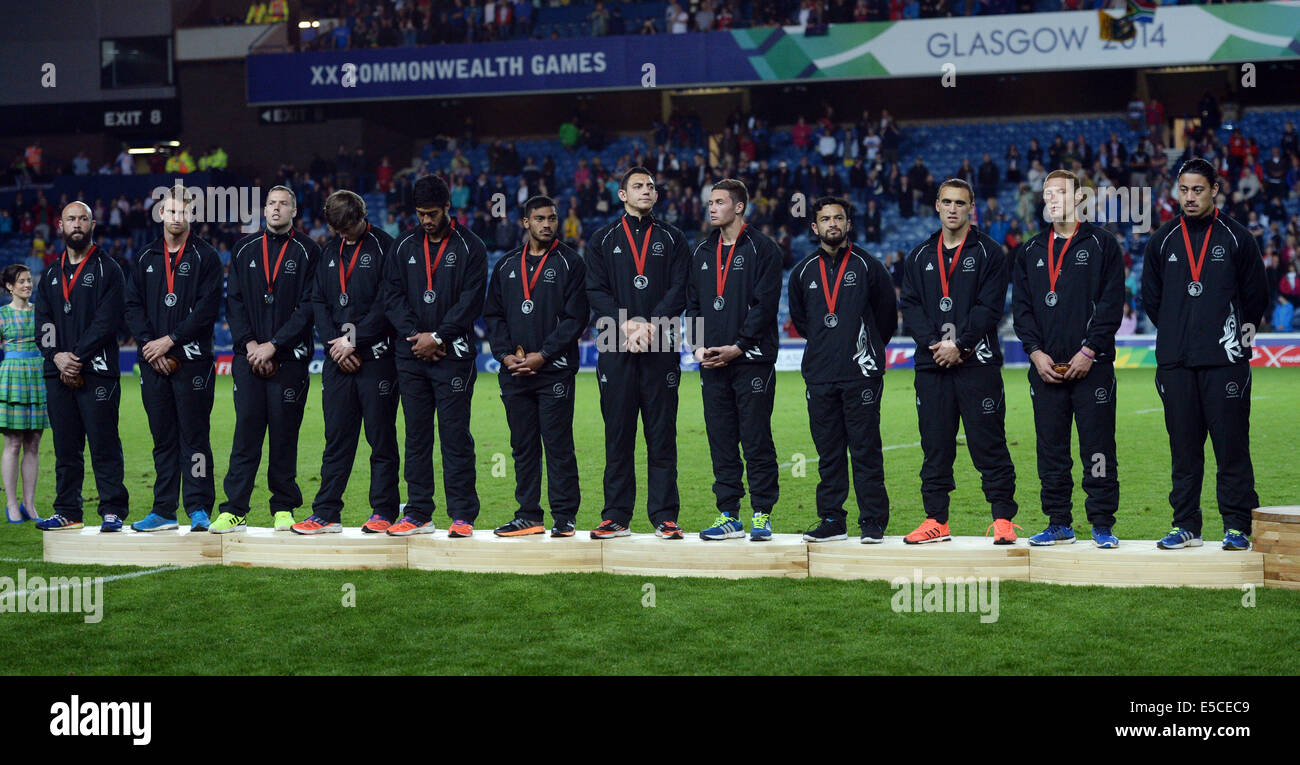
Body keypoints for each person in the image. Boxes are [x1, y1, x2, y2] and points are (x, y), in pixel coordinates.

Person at [1141, 158, 1269, 551]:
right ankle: (1186, 525)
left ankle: (1236, 526)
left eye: (1198, 190)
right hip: (1176, 363)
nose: (1190, 197)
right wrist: (1180, 332)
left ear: (1215, 189)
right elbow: (1152, 300)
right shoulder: (1162, 239)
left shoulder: (1237, 237)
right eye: (1184, 190)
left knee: (1231, 447)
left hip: (1225, 363)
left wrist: (1231, 338)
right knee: (1183, 450)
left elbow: (1255, 296)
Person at [898, 179, 1019, 545]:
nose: (953, 209)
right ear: (937, 205)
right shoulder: (919, 256)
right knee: (935, 445)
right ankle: (937, 520)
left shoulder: (991, 253)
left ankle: (1003, 520)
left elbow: (990, 307)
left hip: (977, 364)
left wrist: (961, 345)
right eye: (947, 202)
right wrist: (936, 344)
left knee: (989, 442)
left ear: (971, 208)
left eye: (960, 203)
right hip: (932, 365)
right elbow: (911, 307)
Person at [1012, 170, 1125, 549]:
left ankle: (1102, 524)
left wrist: (1089, 350)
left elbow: (1111, 305)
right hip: (1046, 369)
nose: (1053, 199)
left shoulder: (1103, 244)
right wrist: (1035, 353)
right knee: (1051, 451)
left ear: (1080, 198)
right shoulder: (1029, 251)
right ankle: (1058, 521)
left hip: (1091, 367)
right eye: (1047, 194)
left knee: (1097, 448)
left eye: (1061, 192)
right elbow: (1022, 310)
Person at [585, 166, 690, 539]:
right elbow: (594, 291)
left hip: (660, 345)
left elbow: (681, 288)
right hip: (616, 344)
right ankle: (615, 515)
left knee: (662, 435)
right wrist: (627, 324)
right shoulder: (601, 239)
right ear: (622, 195)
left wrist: (650, 325)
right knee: (618, 435)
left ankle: (665, 516)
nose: (647, 190)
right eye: (638, 186)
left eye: (651, 186)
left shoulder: (674, 238)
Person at [209, 186, 320, 533]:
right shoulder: (244, 248)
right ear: (264, 209)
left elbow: (308, 306)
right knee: (246, 434)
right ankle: (235, 508)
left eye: (283, 203)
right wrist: (251, 344)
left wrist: (274, 345)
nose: (276, 208)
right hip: (249, 356)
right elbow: (235, 303)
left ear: (294, 211)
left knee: (285, 434)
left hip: (290, 358)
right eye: (271, 203)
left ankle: (283, 506)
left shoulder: (309, 250)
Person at [382, 174, 487, 536]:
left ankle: (462, 514)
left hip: (453, 355)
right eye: (420, 214)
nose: (426, 220)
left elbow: (472, 300)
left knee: (455, 435)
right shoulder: (403, 245)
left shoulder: (472, 246)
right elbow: (392, 296)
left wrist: (439, 336)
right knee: (416, 436)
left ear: (447, 208)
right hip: (411, 356)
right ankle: (418, 513)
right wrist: (416, 336)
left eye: (432, 213)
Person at [790, 197, 897, 544]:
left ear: (848, 224)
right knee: (829, 453)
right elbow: (803, 322)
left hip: (861, 373)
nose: (832, 224)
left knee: (865, 449)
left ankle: (873, 521)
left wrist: (862, 348)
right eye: (825, 219)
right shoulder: (803, 271)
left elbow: (886, 318)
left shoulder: (870, 266)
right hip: (820, 374)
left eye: (839, 218)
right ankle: (832, 519)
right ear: (814, 227)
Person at [293, 190, 400, 535]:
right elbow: (318, 301)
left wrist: (354, 339)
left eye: (348, 228)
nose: (344, 235)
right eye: (338, 230)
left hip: (377, 359)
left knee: (380, 438)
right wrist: (335, 345)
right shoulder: (328, 252)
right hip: (338, 360)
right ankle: (326, 512)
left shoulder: (387, 247)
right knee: (336, 439)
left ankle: (383, 510)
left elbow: (388, 302)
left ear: (361, 216)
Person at [484, 195, 588, 537]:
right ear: (525, 223)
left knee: (558, 445)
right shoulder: (506, 265)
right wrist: (504, 354)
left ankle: (564, 517)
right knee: (523, 446)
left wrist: (543, 354)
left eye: (552, 218)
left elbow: (576, 319)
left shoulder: (571, 263)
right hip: (514, 372)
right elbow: (493, 315)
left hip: (553, 370)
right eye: (540, 219)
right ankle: (528, 514)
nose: (547, 224)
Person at [685, 179, 783, 542]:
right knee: (721, 439)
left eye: (719, 202)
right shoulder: (700, 252)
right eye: (709, 202)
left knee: (755, 438)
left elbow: (765, 305)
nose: (711, 208)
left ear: (739, 207)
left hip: (751, 360)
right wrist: (697, 347)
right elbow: (692, 306)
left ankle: (762, 514)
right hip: (712, 362)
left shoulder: (764, 249)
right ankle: (728, 514)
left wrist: (739, 346)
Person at [124, 189, 223, 532]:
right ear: (160, 214)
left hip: (192, 363)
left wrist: (170, 342)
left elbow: (207, 309)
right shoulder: (145, 257)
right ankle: (164, 510)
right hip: (154, 362)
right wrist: (151, 346)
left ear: (191, 216)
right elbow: (132, 306)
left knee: (195, 439)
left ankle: (198, 507)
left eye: (183, 211)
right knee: (163, 439)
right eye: (170, 211)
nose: (176, 217)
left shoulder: (206, 256)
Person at [34, 202, 130, 532]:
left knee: (104, 444)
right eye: (71, 219)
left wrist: (74, 358)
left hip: (98, 371)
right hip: (57, 372)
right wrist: (57, 356)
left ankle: (113, 510)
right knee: (65, 447)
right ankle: (68, 511)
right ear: (60, 225)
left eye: (83, 219)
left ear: (92, 224)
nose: (77, 224)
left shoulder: (109, 269)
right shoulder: (48, 274)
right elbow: (42, 322)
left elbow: (108, 322)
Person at [0, 265, 46, 523]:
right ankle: (11, 505)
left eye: (29, 280)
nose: (28, 285)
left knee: (33, 443)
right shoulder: (2, 315)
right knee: (13, 443)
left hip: (36, 375)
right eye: (21, 281)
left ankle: (29, 504)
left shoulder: (41, 313)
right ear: (9, 286)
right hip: (12, 376)